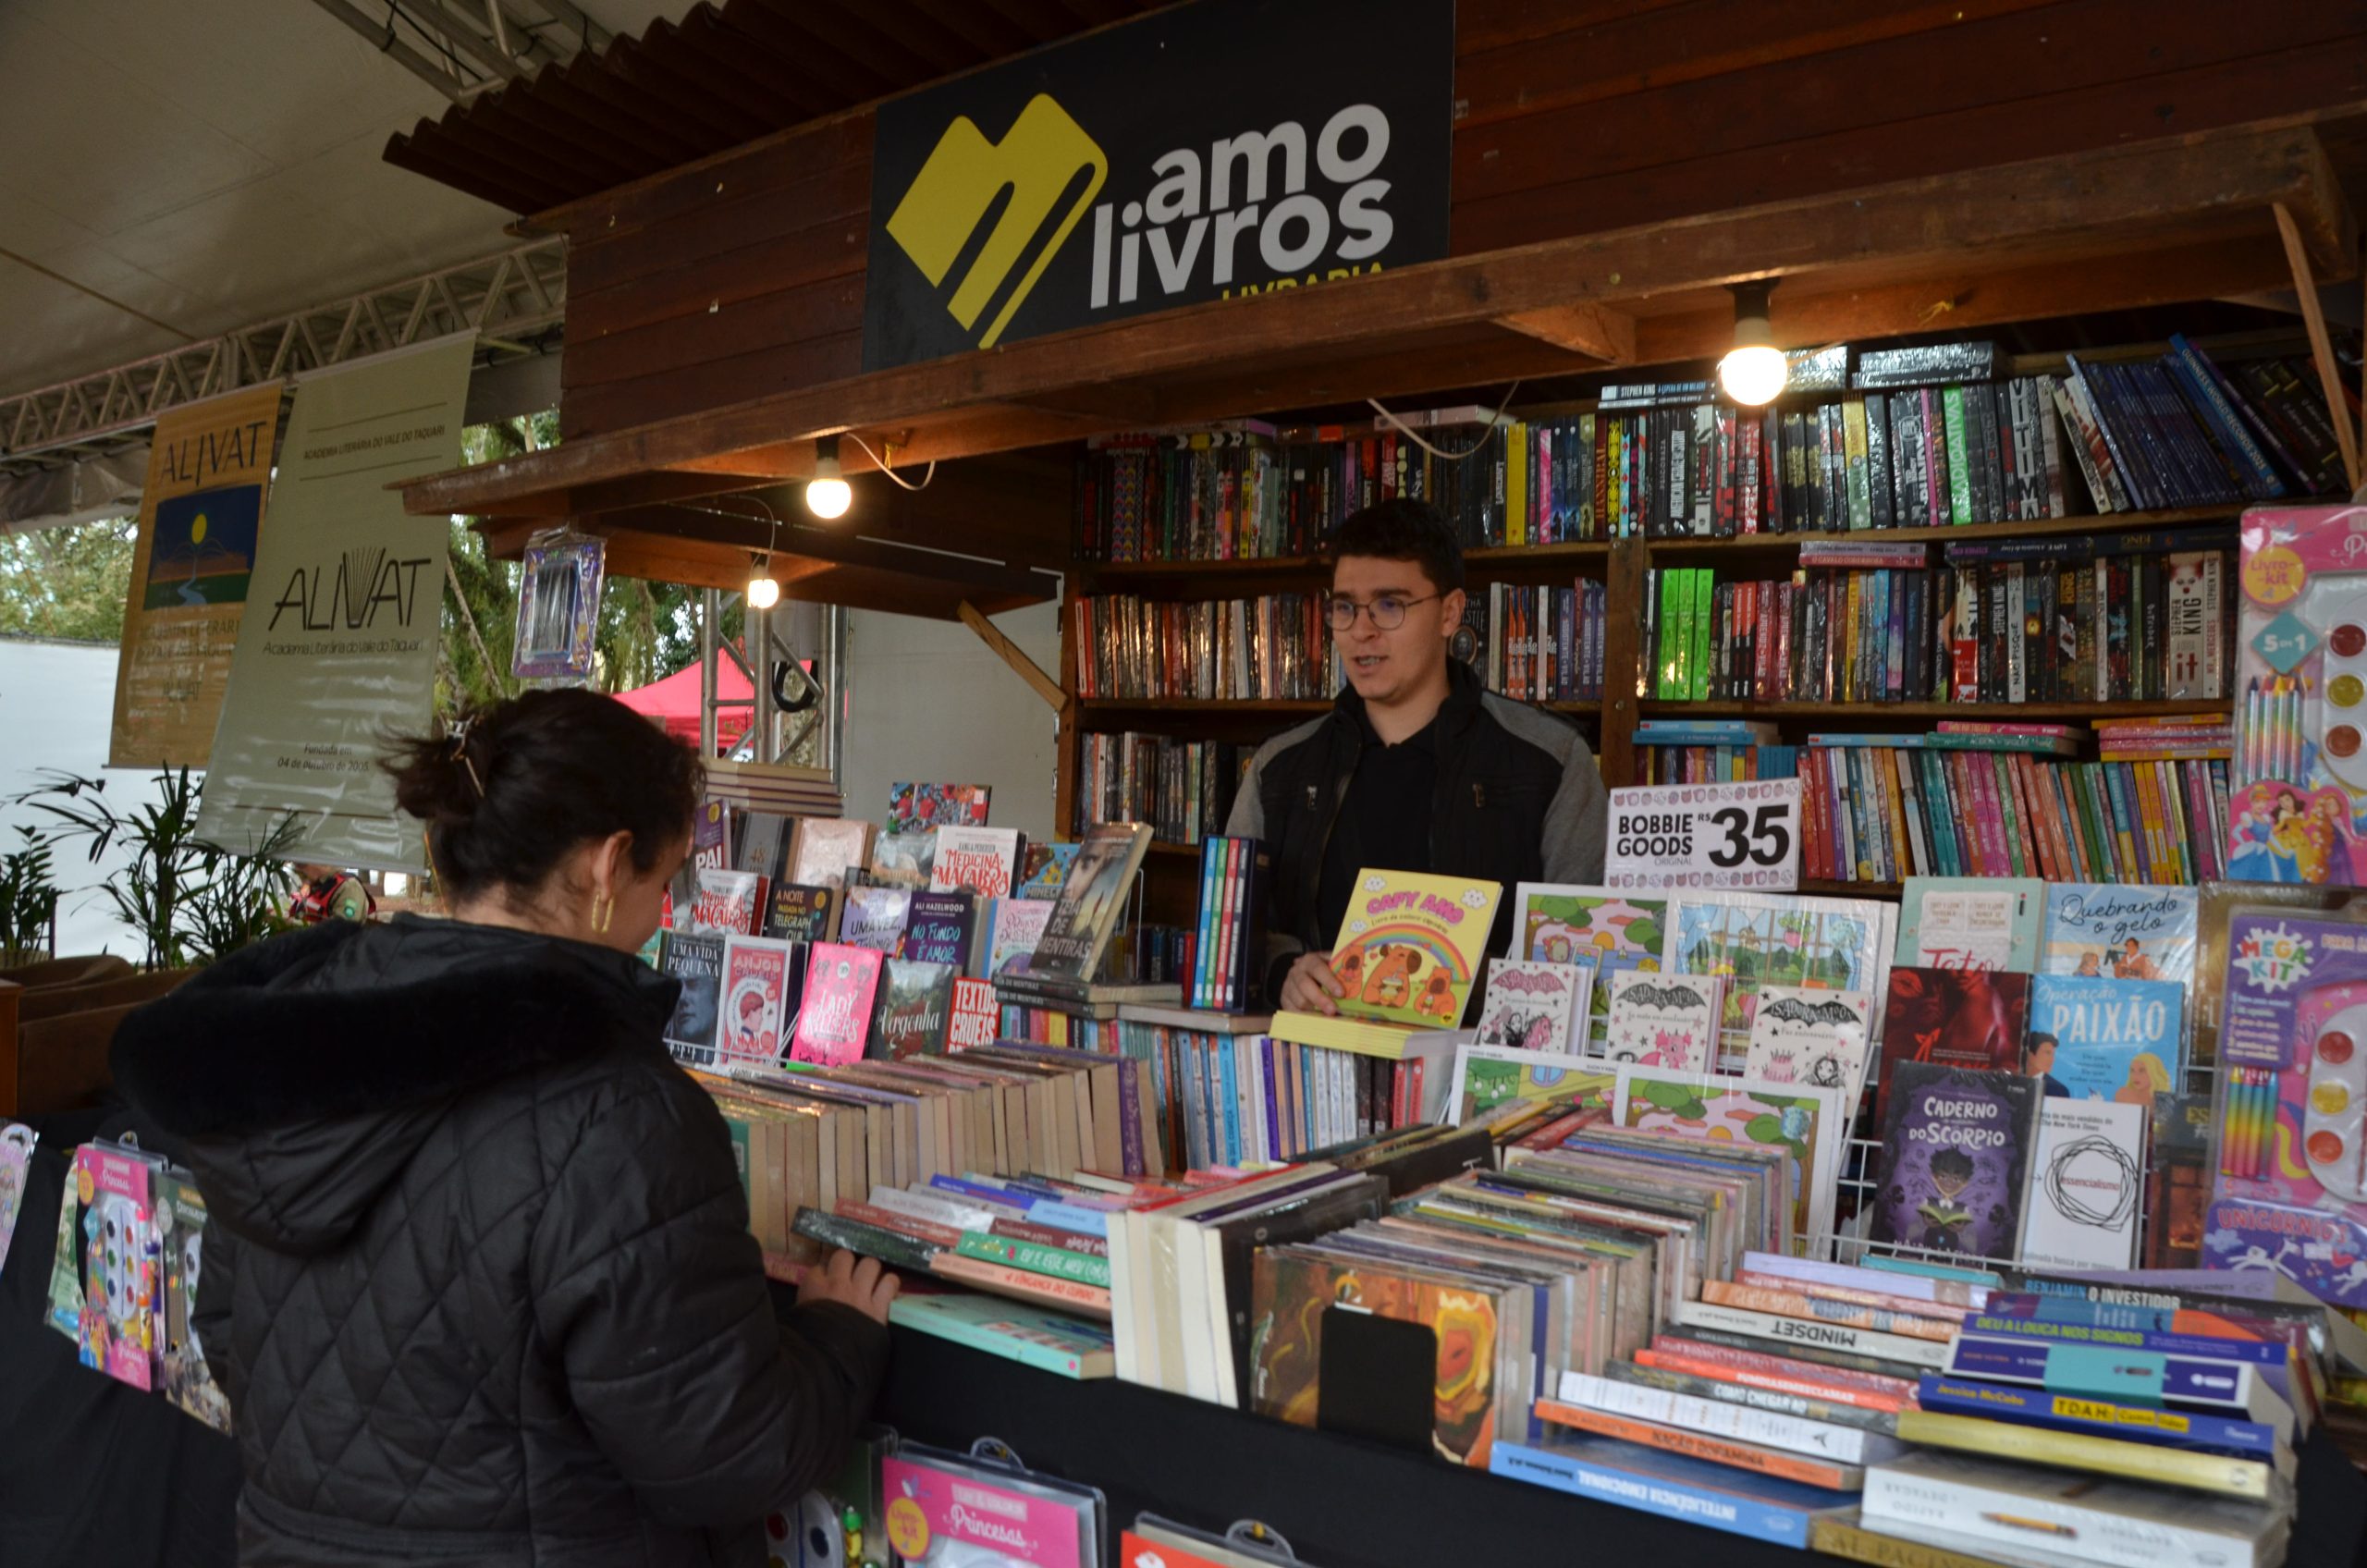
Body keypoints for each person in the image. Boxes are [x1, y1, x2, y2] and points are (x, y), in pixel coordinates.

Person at [110, 688, 896, 1568]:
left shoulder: (290, 1043)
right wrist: (837, 1340)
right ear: (609, 864)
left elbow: (228, 1334)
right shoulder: (618, 1109)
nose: (665, 913)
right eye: (668, 879)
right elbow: (722, 1451)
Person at [1225, 498, 1610, 1015]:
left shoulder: (1550, 761)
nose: (1362, 630)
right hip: (1316, 1055)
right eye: (1345, 607)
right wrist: (1283, 973)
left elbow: (1587, 948)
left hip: (1482, 1057)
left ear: (1450, 612)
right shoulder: (1278, 769)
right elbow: (1230, 933)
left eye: (1390, 605)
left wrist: (1479, 988)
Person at [287, 861, 375, 924]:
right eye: (294, 863)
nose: (297, 869)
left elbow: (343, 928)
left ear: (321, 862)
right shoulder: (315, 884)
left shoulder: (349, 887)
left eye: (301, 864)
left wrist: (298, 926)